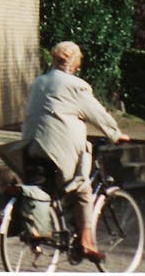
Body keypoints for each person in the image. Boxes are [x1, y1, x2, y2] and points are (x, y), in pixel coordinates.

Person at [19, 41, 130, 262]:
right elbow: (97, 114)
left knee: (55, 186)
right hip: (58, 152)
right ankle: (87, 244)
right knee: (82, 189)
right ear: (74, 62)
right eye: (79, 59)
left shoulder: (39, 82)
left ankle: (57, 226)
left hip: (30, 147)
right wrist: (115, 134)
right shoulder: (76, 86)